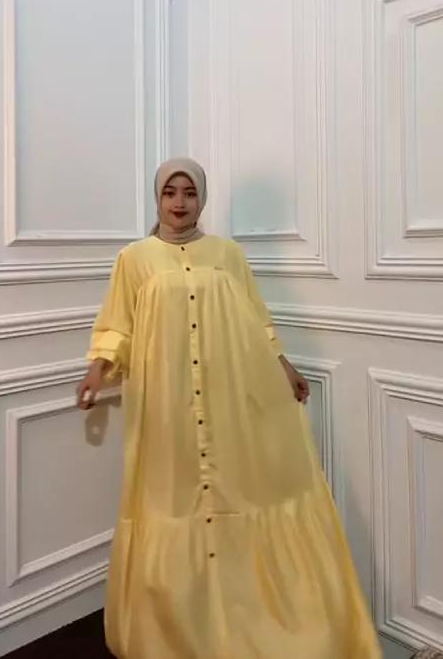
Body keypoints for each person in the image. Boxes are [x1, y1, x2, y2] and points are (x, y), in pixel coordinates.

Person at [77, 158, 381, 659]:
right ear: (157, 198)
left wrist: (283, 366)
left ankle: (249, 625)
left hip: (227, 396)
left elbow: (255, 317)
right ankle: (178, 632)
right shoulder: (135, 259)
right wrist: (97, 369)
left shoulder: (227, 254)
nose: (180, 202)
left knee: (240, 491)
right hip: (166, 403)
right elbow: (119, 325)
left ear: (202, 198)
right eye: (170, 192)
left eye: (190, 192)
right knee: (173, 500)